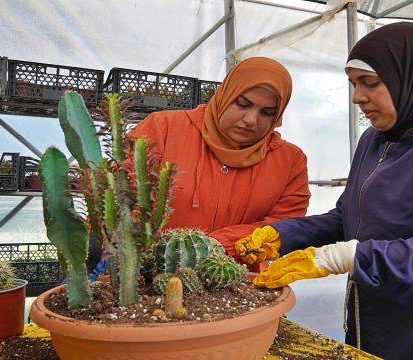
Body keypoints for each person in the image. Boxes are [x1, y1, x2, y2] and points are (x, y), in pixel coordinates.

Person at [234, 22, 413, 359]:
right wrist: (281, 235)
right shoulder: (376, 139)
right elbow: (348, 218)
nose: (357, 97)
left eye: (370, 83)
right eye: (354, 84)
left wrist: (345, 257)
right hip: (379, 322)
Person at [127, 57, 310, 268]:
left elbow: (284, 224)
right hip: (150, 273)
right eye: (242, 104)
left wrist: (215, 246)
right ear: (224, 95)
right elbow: (123, 196)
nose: (251, 119)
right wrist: (162, 254)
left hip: (239, 280)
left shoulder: (289, 160)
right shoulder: (162, 129)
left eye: (267, 113)